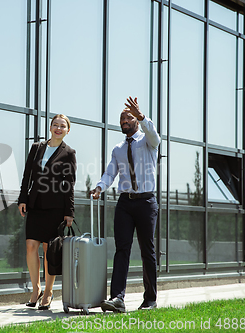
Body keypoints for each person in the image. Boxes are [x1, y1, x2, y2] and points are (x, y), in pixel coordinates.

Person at [90, 96, 160, 313]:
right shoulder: (118, 148)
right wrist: (100, 187)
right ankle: (117, 298)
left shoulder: (147, 141)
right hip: (125, 204)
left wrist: (142, 116)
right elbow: (110, 172)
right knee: (122, 250)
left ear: (137, 120)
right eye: (121, 118)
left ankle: (150, 299)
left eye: (128, 117)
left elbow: (156, 137)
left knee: (147, 250)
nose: (124, 121)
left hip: (146, 202)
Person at [18, 114, 76, 310]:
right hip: (35, 204)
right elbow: (27, 175)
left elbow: (69, 185)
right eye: (55, 125)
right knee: (31, 247)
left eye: (62, 126)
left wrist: (69, 212)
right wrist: (22, 199)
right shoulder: (36, 148)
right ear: (50, 127)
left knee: (48, 249)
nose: (58, 128)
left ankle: (49, 292)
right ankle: (36, 289)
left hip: (55, 208)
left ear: (68, 130)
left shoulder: (69, 153)